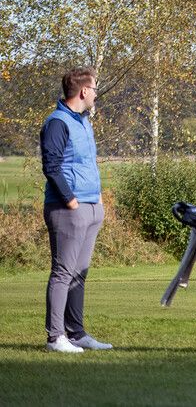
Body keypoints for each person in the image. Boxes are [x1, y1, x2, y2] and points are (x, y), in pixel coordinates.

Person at [40, 66, 113, 353]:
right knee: (63, 272)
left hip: (91, 206)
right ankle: (55, 337)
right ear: (83, 91)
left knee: (79, 272)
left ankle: (76, 333)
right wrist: (71, 200)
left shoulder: (83, 122)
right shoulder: (57, 123)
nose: (96, 93)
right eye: (94, 88)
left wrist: (97, 201)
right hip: (67, 208)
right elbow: (52, 167)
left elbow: (86, 164)